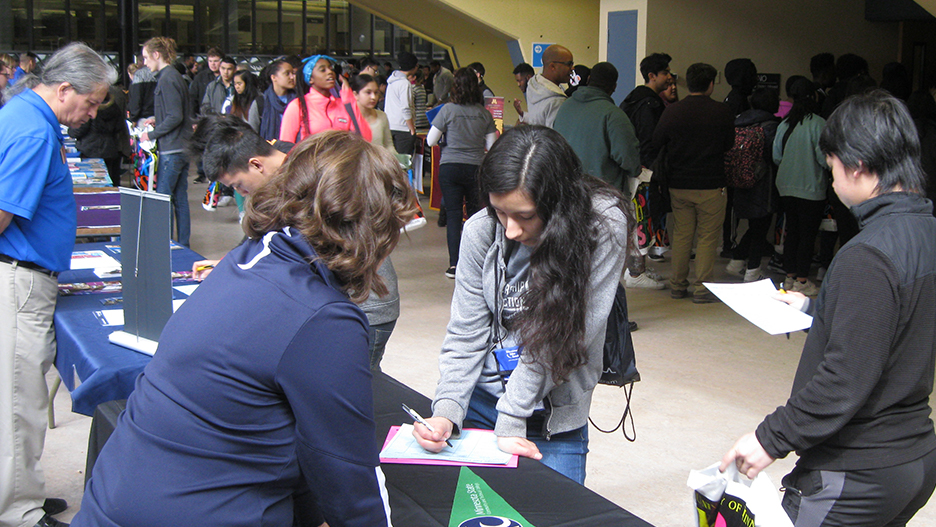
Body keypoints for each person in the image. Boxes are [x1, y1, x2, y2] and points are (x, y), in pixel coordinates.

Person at [72, 131, 416, 527]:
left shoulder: (248, 257)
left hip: (118, 492)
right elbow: (346, 467)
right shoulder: (324, 316)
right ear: (374, 226)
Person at [721, 90, 936, 527]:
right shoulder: (924, 231)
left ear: (857, 166)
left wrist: (770, 438)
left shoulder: (868, 255)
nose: (831, 180)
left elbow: (844, 379)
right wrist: (813, 308)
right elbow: (899, 316)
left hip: (857, 469)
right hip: (914, 457)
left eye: (832, 166)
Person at [412, 125, 630, 485]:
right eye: (500, 211)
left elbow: (566, 337)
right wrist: (446, 411)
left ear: (559, 204)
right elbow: (466, 331)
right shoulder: (481, 230)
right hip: (481, 405)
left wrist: (512, 418)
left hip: (551, 419)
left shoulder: (601, 226)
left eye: (525, 216)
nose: (510, 229)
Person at [0, 42, 115, 527]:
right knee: (17, 401)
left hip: (26, 274)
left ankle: (20, 490)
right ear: (63, 88)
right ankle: (16, 511)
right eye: (89, 103)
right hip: (20, 279)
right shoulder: (33, 133)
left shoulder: (25, 113)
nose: (91, 114)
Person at [554, 62, 661, 291]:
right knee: (605, 264)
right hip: (604, 197)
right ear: (613, 86)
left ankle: (575, 309)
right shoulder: (613, 115)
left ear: (590, 78)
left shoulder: (565, 108)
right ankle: (610, 318)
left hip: (568, 194)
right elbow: (630, 161)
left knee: (575, 257)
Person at [652, 62, 735, 304]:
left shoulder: (673, 111)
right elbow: (729, 145)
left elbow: (657, 141)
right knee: (708, 238)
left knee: (682, 236)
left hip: (679, 184)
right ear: (711, 84)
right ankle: (702, 289)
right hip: (712, 185)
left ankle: (678, 286)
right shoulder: (722, 111)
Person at [426, 67, 497, 278]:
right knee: (476, 216)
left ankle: (454, 265)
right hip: (476, 168)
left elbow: (430, 141)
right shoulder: (484, 114)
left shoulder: (447, 110)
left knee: (455, 216)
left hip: (450, 168)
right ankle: (475, 265)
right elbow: (491, 147)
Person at [773, 77, 827, 296]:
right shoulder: (819, 123)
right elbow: (824, 159)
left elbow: (777, 157)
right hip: (811, 188)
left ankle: (789, 277)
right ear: (813, 97)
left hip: (785, 186)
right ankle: (803, 281)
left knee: (791, 233)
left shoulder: (785, 123)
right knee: (807, 235)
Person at [139, 37, 192, 247]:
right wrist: (156, 119)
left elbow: (175, 116)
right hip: (181, 146)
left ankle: (165, 243)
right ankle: (183, 243)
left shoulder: (167, 79)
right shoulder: (173, 77)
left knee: (163, 199)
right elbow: (174, 113)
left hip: (172, 149)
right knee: (179, 199)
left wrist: (151, 134)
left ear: (156, 55)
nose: (144, 63)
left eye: (145, 57)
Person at [724, 88, 780, 282]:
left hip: (739, 181)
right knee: (761, 227)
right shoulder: (771, 125)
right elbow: (775, 156)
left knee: (754, 226)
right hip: (764, 182)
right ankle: (753, 271)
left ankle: (738, 260)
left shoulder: (738, 122)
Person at [279, 54, 370, 142]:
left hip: (340, 157)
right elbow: (285, 144)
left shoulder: (343, 104)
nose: (330, 72)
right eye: (323, 70)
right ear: (310, 79)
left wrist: (349, 100)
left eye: (331, 69)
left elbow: (365, 138)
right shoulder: (298, 105)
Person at [68, 85, 132, 186]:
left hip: (89, 149)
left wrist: (70, 132)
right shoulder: (114, 107)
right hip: (110, 149)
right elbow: (119, 127)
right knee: (111, 179)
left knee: (91, 183)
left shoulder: (89, 109)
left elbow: (79, 130)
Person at [524, 44, 573, 128]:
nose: (572, 68)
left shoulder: (533, 87)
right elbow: (556, 137)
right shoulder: (557, 102)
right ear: (552, 66)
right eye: (569, 64)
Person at [386, 51, 418, 155]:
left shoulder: (391, 81)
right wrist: (412, 129)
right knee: (403, 163)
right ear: (414, 67)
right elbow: (406, 108)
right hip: (403, 129)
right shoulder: (405, 83)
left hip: (390, 126)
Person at [352, 73, 395, 152]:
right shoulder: (346, 119)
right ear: (355, 94)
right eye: (368, 92)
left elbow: (388, 145)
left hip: (379, 163)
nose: (373, 97)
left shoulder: (382, 116)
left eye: (376, 93)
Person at [257, 58, 297, 141]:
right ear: (274, 77)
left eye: (293, 73)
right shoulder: (261, 102)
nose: (292, 77)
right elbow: (253, 132)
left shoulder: (298, 100)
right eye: (287, 74)